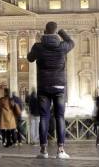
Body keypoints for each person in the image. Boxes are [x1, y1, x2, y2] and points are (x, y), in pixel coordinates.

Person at [27, 21, 75, 159]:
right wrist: (61, 32)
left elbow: (30, 58)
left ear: (45, 31)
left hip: (43, 86)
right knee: (59, 117)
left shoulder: (38, 47)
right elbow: (71, 42)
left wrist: (36, 47)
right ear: (55, 31)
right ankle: (60, 150)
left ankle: (43, 150)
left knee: (44, 117)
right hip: (59, 86)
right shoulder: (62, 46)